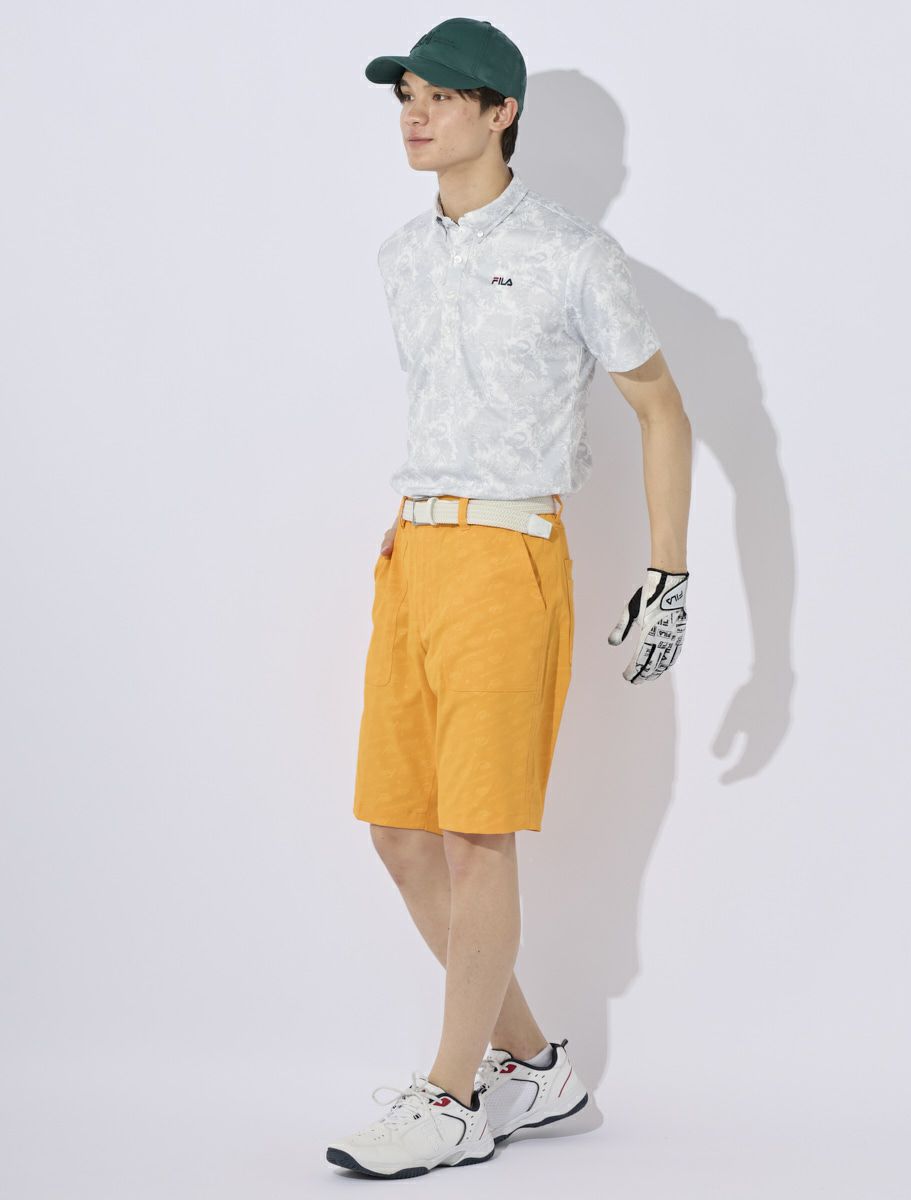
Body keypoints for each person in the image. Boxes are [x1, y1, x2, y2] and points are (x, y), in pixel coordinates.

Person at [326, 17, 692, 1180]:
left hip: (507, 554)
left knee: (476, 836)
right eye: (406, 96)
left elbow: (660, 407)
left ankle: (451, 1097)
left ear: (502, 113)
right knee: (398, 831)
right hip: (412, 554)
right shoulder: (400, 254)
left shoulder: (572, 252)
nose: (415, 115)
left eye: (441, 97)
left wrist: (667, 570)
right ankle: (534, 1067)